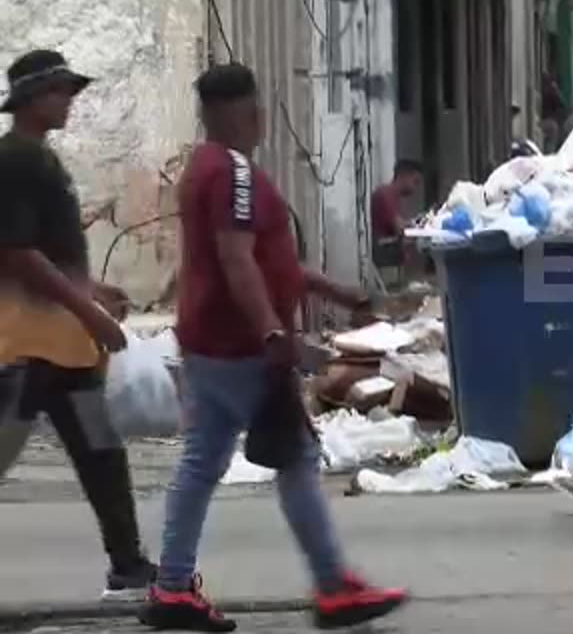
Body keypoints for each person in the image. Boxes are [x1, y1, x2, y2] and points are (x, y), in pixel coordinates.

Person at [140, 63, 406, 632]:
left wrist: (330, 288)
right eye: (257, 110)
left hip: (212, 340)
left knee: (204, 459)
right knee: (295, 458)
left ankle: (172, 586)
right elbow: (237, 259)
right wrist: (271, 332)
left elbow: (267, 259)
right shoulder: (233, 172)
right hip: (240, 344)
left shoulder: (203, 167)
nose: (262, 120)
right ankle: (333, 585)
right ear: (246, 113)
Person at [0, 49, 157, 602]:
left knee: (102, 453)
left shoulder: (40, 158)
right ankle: (130, 563)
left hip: (64, 348)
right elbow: (18, 255)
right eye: (62, 91)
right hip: (23, 350)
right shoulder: (16, 160)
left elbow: (50, 254)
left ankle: (130, 565)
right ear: (33, 99)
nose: (70, 101)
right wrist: (88, 309)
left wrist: (94, 292)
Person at [371, 159, 423, 241]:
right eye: (415, 182)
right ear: (403, 176)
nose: (415, 188)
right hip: (385, 251)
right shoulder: (386, 194)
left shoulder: (394, 196)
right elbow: (400, 229)